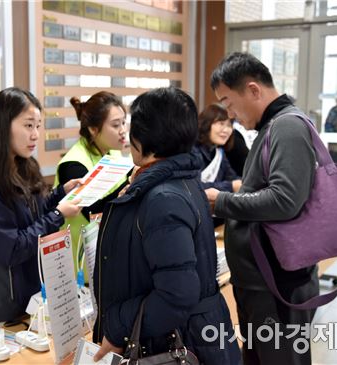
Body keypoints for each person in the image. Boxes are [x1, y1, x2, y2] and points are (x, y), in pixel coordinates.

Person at [93, 87, 240, 365]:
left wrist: (118, 327)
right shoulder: (179, 181)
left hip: (175, 342)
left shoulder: (163, 198)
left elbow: (177, 294)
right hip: (196, 333)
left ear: (145, 136)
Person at [206, 52, 320, 365]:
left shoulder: (286, 128)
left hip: (277, 285)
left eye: (229, 102)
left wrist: (222, 201)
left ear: (254, 90)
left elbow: (285, 201)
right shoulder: (273, 126)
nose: (229, 114)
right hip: (264, 281)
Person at [0, 87, 82, 324]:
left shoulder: (23, 165)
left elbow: (32, 213)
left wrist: (61, 193)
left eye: (38, 126)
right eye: (28, 125)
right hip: (6, 308)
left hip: (32, 299)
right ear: (2, 124)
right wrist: (58, 215)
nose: (36, 135)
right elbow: (12, 247)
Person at [54, 91, 128, 267]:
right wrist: (130, 184)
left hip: (108, 252)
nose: (123, 130)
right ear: (93, 129)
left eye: (124, 122)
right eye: (116, 125)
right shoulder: (73, 165)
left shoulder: (113, 152)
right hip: (80, 263)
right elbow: (95, 213)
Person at [195, 103, 242, 193]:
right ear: (206, 124)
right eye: (221, 123)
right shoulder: (192, 150)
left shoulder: (218, 152)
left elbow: (231, 177)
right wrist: (230, 186)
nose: (226, 130)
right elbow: (194, 185)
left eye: (229, 125)